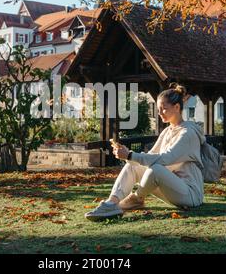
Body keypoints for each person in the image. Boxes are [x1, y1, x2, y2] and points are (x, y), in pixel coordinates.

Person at [85, 83, 205, 221]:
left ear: (177, 107)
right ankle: (111, 202)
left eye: (163, 109)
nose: (159, 113)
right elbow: (151, 156)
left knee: (156, 169)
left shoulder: (188, 133)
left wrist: (130, 155)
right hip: (172, 189)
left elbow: (165, 159)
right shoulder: (167, 131)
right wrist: (127, 155)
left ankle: (136, 199)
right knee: (133, 166)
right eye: (158, 109)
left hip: (190, 194)